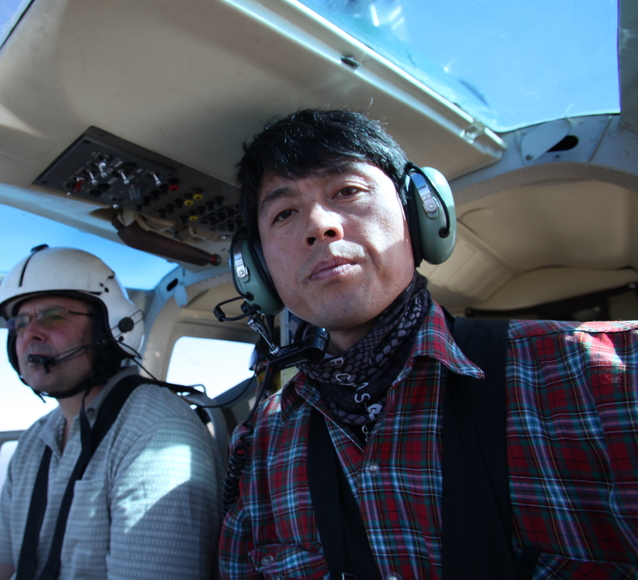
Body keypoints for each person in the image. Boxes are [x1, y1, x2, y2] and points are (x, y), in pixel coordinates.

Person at [219, 109, 638, 579]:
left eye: (347, 191)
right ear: (256, 269)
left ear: (418, 211)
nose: (319, 225)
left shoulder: (610, 377)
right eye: (284, 214)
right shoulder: (261, 442)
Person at [0, 246, 222, 580]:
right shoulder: (34, 441)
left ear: (111, 328)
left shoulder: (155, 430)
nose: (30, 333)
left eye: (53, 316)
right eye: (20, 322)